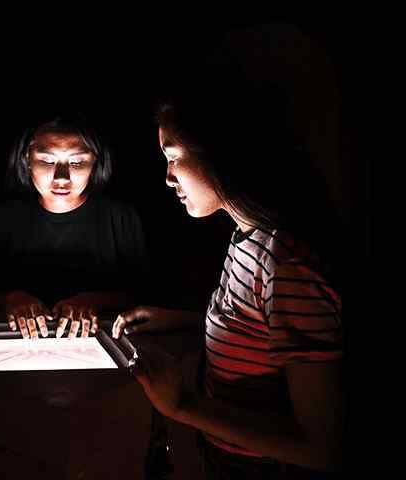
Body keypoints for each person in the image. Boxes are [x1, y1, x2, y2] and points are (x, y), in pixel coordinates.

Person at [113, 80, 345, 477]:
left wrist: (183, 406)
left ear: (217, 152)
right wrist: (184, 320)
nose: (168, 177)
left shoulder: (286, 265)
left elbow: (321, 448)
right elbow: (261, 333)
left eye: (172, 156)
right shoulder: (246, 237)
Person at [0, 115, 148, 339]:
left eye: (76, 162)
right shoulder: (5, 216)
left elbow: (142, 292)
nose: (61, 178)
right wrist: (12, 298)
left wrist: (91, 301)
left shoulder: (119, 216)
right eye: (47, 161)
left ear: (95, 162)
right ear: (27, 159)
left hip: (102, 340)